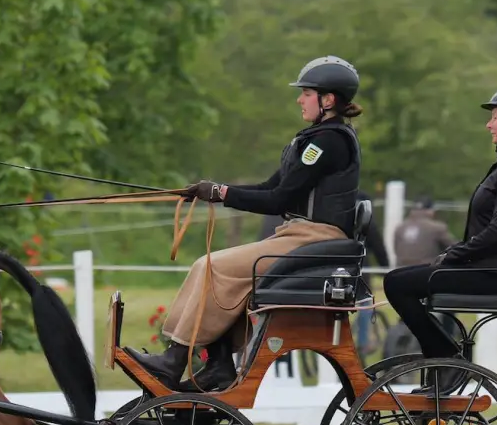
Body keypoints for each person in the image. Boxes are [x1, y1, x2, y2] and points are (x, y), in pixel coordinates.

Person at [125, 55, 364, 391]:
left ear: (328, 100)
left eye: (306, 93)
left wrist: (222, 193)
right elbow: (270, 188)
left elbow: (277, 200)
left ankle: (175, 361)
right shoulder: (316, 138)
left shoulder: (328, 142)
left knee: (213, 266)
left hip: (314, 238)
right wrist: (215, 192)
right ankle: (216, 363)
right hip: (298, 235)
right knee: (210, 267)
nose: (299, 99)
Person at [381, 85, 497, 390]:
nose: (489, 124)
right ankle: (444, 359)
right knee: (400, 280)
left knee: (397, 283)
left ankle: (445, 358)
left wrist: (452, 256)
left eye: (495, 117)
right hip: (483, 267)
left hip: (494, 273)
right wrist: (453, 255)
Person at [392, 196, 455, 267]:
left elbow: (396, 249)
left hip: (401, 271)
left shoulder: (400, 228)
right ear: (430, 210)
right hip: (426, 272)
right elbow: (453, 248)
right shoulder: (437, 228)